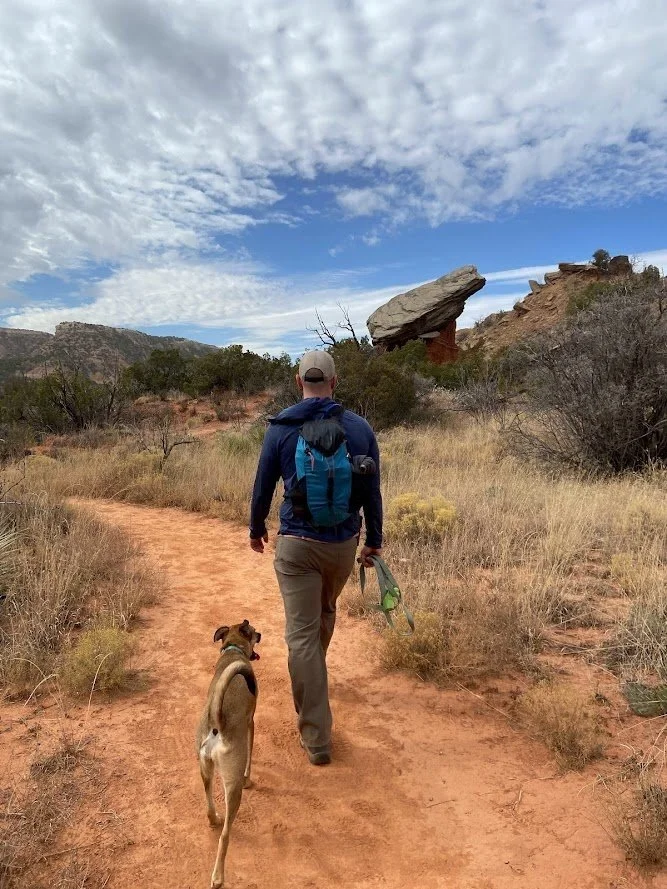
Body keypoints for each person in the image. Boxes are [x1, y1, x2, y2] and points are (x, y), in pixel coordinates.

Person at [249, 349, 382, 766]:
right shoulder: (359, 429)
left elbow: (263, 485)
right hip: (342, 545)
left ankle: (316, 736)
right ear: (335, 382)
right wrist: (373, 539)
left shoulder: (281, 428)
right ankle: (314, 685)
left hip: (297, 545)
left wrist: (256, 529)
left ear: (297, 381)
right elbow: (372, 492)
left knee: (302, 636)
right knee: (324, 616)